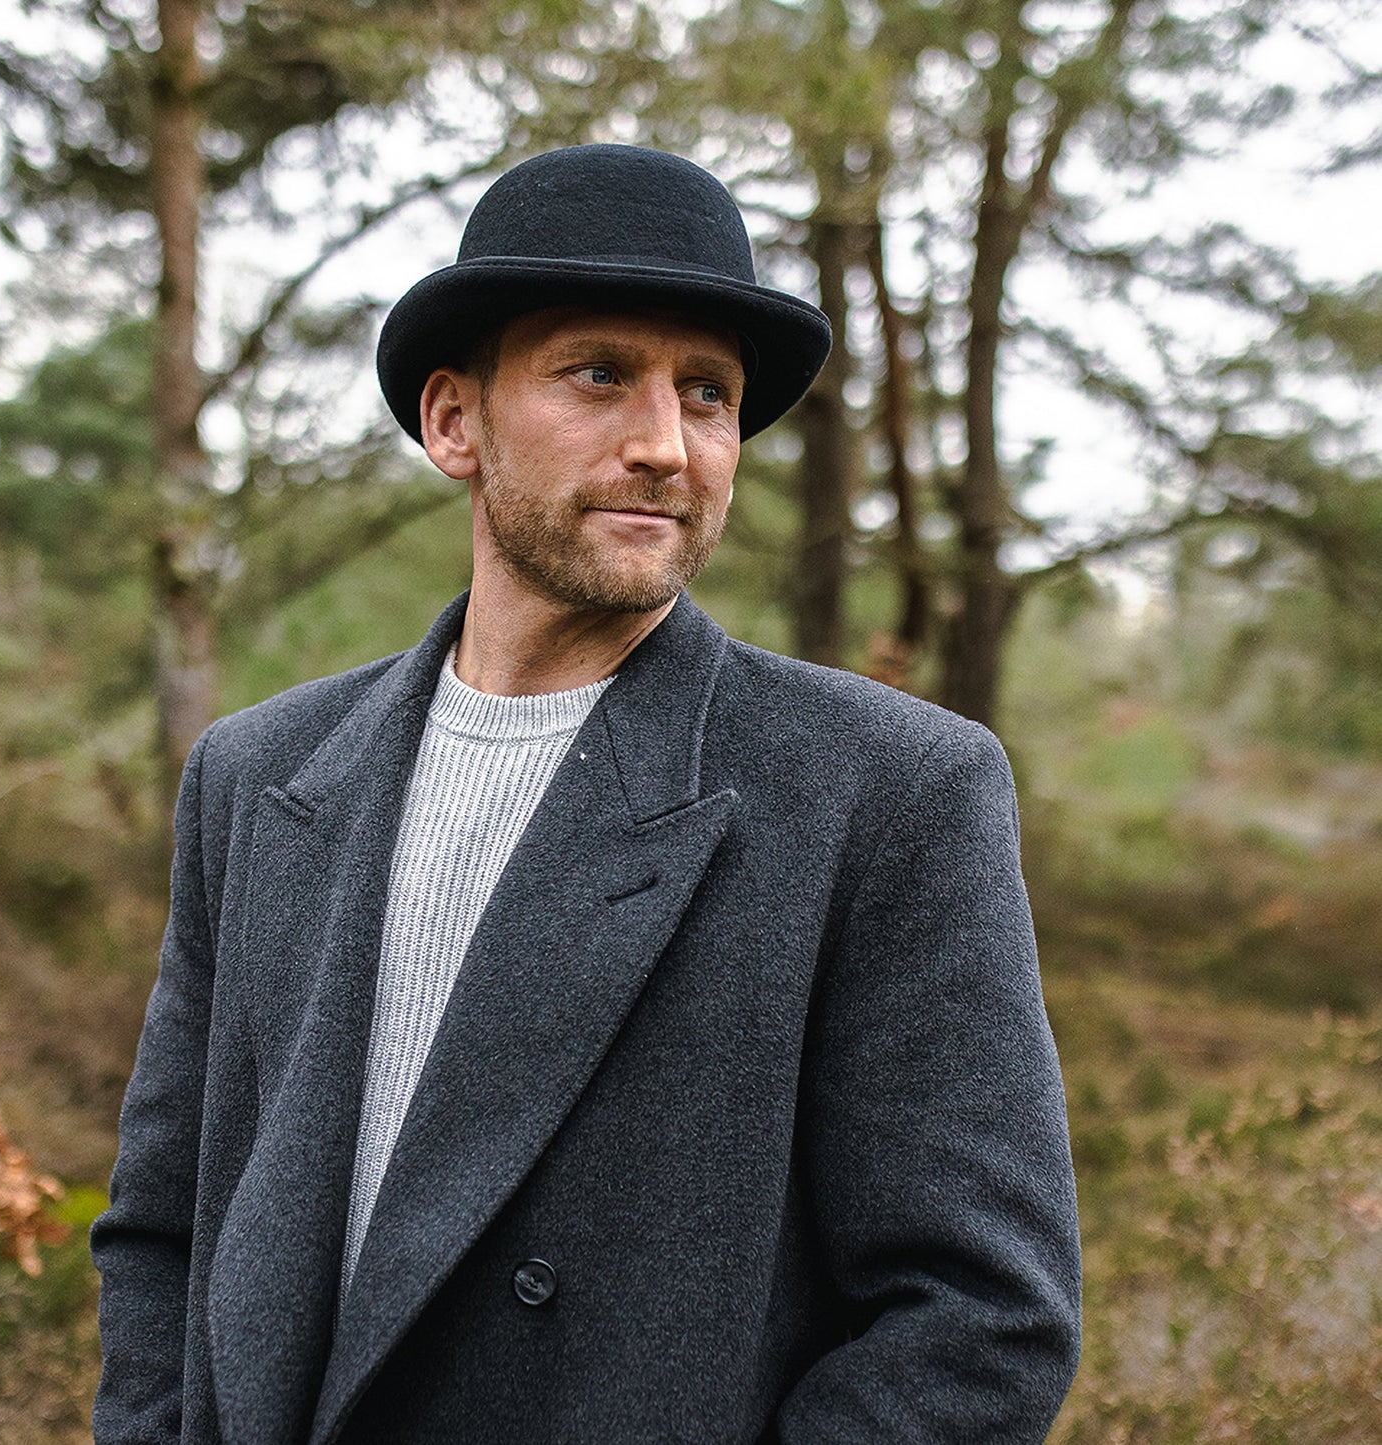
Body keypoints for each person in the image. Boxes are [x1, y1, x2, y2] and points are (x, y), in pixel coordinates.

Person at [92, 143, 1081, 1445]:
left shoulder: (887, 790)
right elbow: (164, 1230)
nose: (666, 445)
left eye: (708, 393)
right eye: (599, 374)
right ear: (455, 422)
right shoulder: (259, 772)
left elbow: (981, 1320)